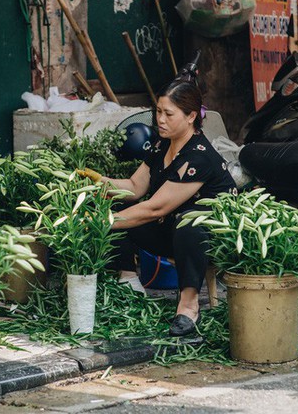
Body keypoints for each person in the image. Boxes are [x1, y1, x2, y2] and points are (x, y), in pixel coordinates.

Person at [78, 80, 236, 337]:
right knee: (113, 203)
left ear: (191, 116)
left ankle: (188, 306)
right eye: (158, 112)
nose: (160, 120)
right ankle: (129, 282)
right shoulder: (162, 145)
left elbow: (155, 208)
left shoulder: (199, 156)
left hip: (208, 239)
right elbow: (134, 187)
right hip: (169, 229)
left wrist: (101, 222)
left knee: (189, 224)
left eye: (168, 114)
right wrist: (98, 183)